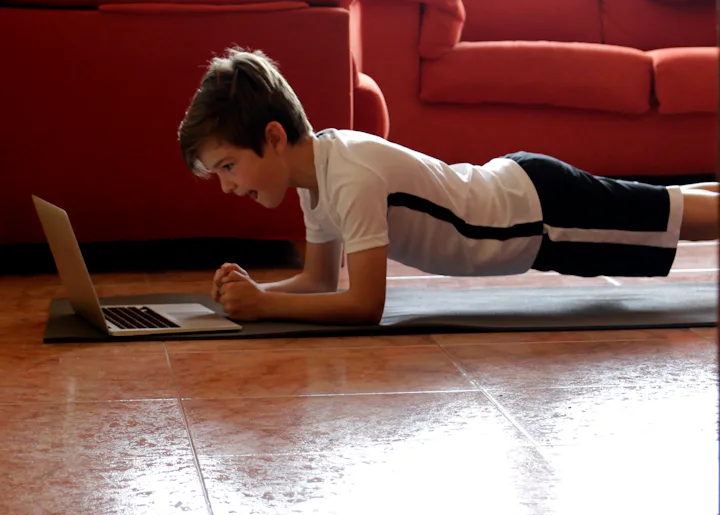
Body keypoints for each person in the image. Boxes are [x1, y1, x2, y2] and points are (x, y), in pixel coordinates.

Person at [177, 47, 719, 325]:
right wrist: (255, 295)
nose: (227, 187)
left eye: (228, 166)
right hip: (524, 189)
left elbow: (365, 306)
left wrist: (266, 309)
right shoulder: (315, 173)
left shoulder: (348, 177)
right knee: (666, 204)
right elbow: (320, 281)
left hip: (537, 216)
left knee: (678, 222)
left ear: (273, 137)